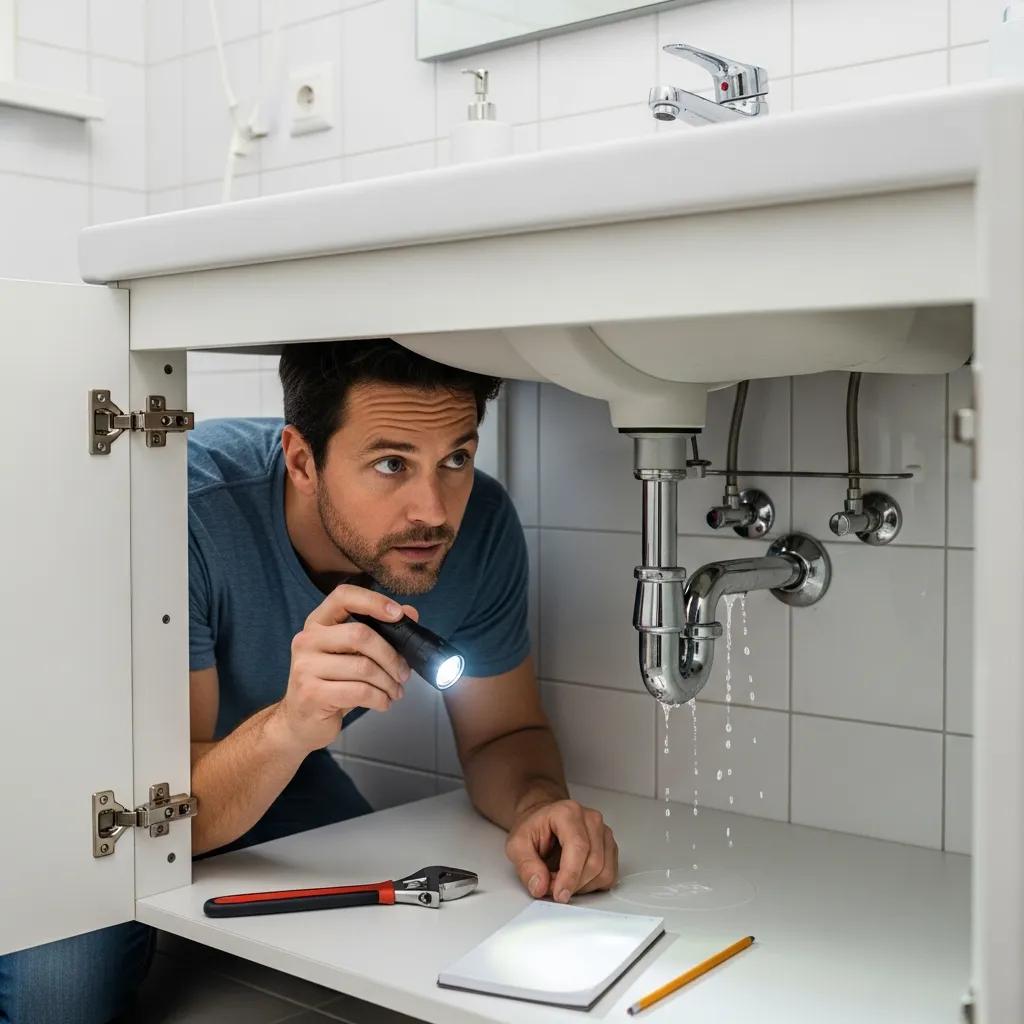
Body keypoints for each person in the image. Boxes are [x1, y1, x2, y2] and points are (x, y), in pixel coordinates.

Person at [0, 339, 619, 1024]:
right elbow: (160, 816)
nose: (435, 510)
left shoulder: (480, 528)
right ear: (301, 460)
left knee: (393, 939)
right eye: (392, 463)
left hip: (269, 763)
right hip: (91, 789)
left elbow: (507, 732)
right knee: (59, 1004)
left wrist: (538, 806)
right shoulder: (182, 512)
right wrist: (293, 725)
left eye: (456, 458)